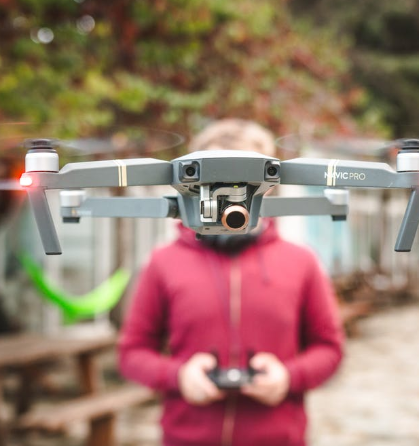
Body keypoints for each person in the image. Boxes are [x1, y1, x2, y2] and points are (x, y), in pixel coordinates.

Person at [117, 119, 344, 446]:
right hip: (187, 437)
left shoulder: (301, 262)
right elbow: (132, 352)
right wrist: (178, 376)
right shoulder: (164, 262)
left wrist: (288, 377)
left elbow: (330, 348)